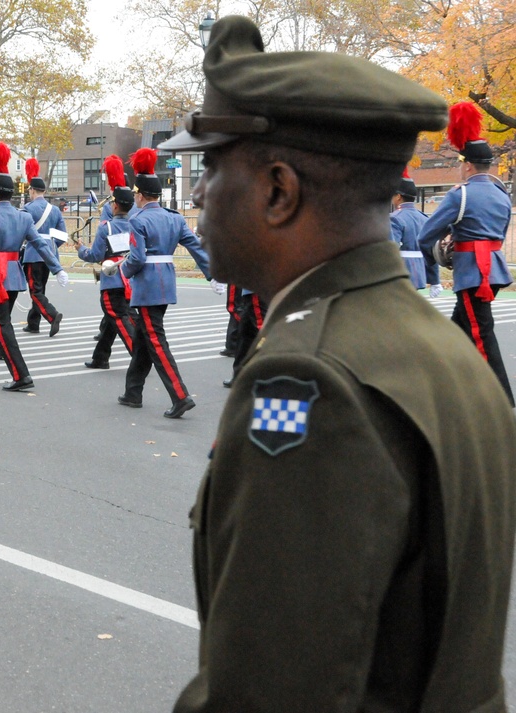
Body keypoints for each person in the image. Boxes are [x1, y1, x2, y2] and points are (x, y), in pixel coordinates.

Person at [160, 16, 516, 711]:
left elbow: (267, 691)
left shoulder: (309, 376)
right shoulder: (441, 343)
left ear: (277, 190)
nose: (199, 195)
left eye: (209, 167)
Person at [419, 101, 513, 405]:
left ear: (468, 165)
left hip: (473, 273)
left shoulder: (461, 194)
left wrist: (437, 252)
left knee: (480, 335)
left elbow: (425, 235)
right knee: (454, 333)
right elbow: (497, 232)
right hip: (495, 270)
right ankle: (445, 387)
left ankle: (501, 403)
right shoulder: (502, 195)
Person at [0, 143, 68, 391]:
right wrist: (57, 268)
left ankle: (21, 374)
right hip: (14, 276)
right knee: (0, 321)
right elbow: (42, 245)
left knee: (1, 325)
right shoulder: (24, 216)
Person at [116, 148, 211, 419]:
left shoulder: (138, 220)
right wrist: (211, 273)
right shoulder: (175, 217)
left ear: (141, 195)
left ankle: (180, 395)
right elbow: (195, 247)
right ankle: (133, 392)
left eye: (135, 194)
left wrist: (123, 271)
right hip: (166, 283)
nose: (134, 197)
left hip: (146, 286)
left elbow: (137, 258)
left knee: (155, 341)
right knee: (146, 339)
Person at [74, 155, 135, 369]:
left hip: (113, 276)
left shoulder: (107, 224)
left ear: (116, 205)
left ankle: (139, 355)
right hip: (130, 274)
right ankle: (100, 357)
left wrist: (81, 249)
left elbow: (96, 254)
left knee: (118, 316)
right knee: (113, 319)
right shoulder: (137, 221)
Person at [21, 158, 66, 337]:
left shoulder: (27, 208)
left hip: (33, 253)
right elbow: (62, 235)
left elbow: (21, 232)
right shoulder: (55, 210)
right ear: (44, 191)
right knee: (41, 288)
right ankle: (33, 322)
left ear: (32, 190)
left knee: (35, 290)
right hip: (50, 253)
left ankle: (52, 315)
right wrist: (52, 246)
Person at [390, 169, 439, 294]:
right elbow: (431, 252)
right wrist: (435, 280)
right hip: (420, 271)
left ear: (399, 197)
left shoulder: (395, 218)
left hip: (400, 271)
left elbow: (391, 249)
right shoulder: (424, 218)